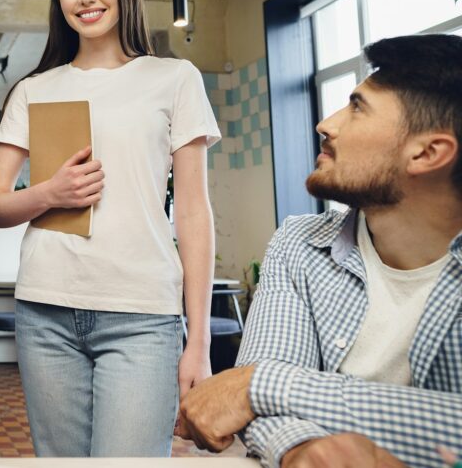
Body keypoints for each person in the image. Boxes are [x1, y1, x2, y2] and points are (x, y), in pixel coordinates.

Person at [0, 0, 221, 457]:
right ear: (58, 0)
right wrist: (49, 192)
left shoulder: (175, 78)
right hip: (44, 310)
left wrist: (198, 340)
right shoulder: (34, 88)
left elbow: (195, 212)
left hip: (142, 315)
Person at [177, 34, 462, 468]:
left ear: (427, 152)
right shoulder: (301, 243)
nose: (326, 123)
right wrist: (304, 449)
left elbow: (248, 392)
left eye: (357, 108)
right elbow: (251, 412)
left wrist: (261, 383)